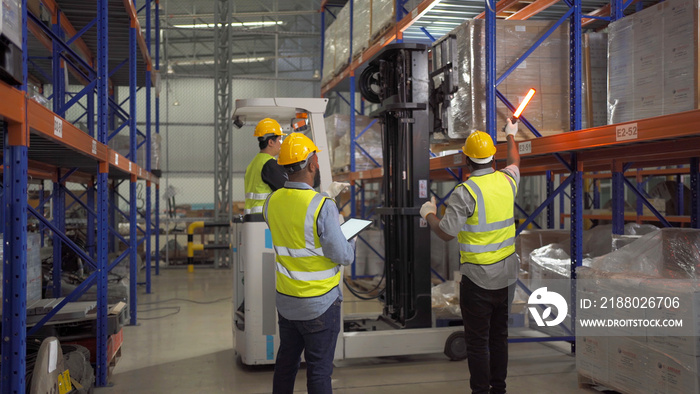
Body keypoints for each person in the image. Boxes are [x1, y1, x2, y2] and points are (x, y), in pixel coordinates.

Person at [420, 119, 521, 394]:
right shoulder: (507, 181)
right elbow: (514, 162)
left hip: (478, 281)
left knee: (478, 343)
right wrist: (510, 135)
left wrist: (428, 213)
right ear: (492, 157)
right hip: (506, 278)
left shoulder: (465, 193)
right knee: (499, 338)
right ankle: (498, 389)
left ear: (466, 160)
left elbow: (446, 232)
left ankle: (481, 392)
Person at [263, 132, 354, 394]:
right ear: (313, 163)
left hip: (287, 302)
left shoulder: (271, 202)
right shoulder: (322, 206)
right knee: (319, 371)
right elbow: (343, 256)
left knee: (286, 365)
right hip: (320, 304)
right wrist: (347, 236)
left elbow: (296, 230)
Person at [244, 118, 289, 216]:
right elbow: (288, 190)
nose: (281, 143)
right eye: (280, 139)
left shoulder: (253, 164)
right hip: (264, 218)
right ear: (271, 142)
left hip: (251, 217)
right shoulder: (270, 164)